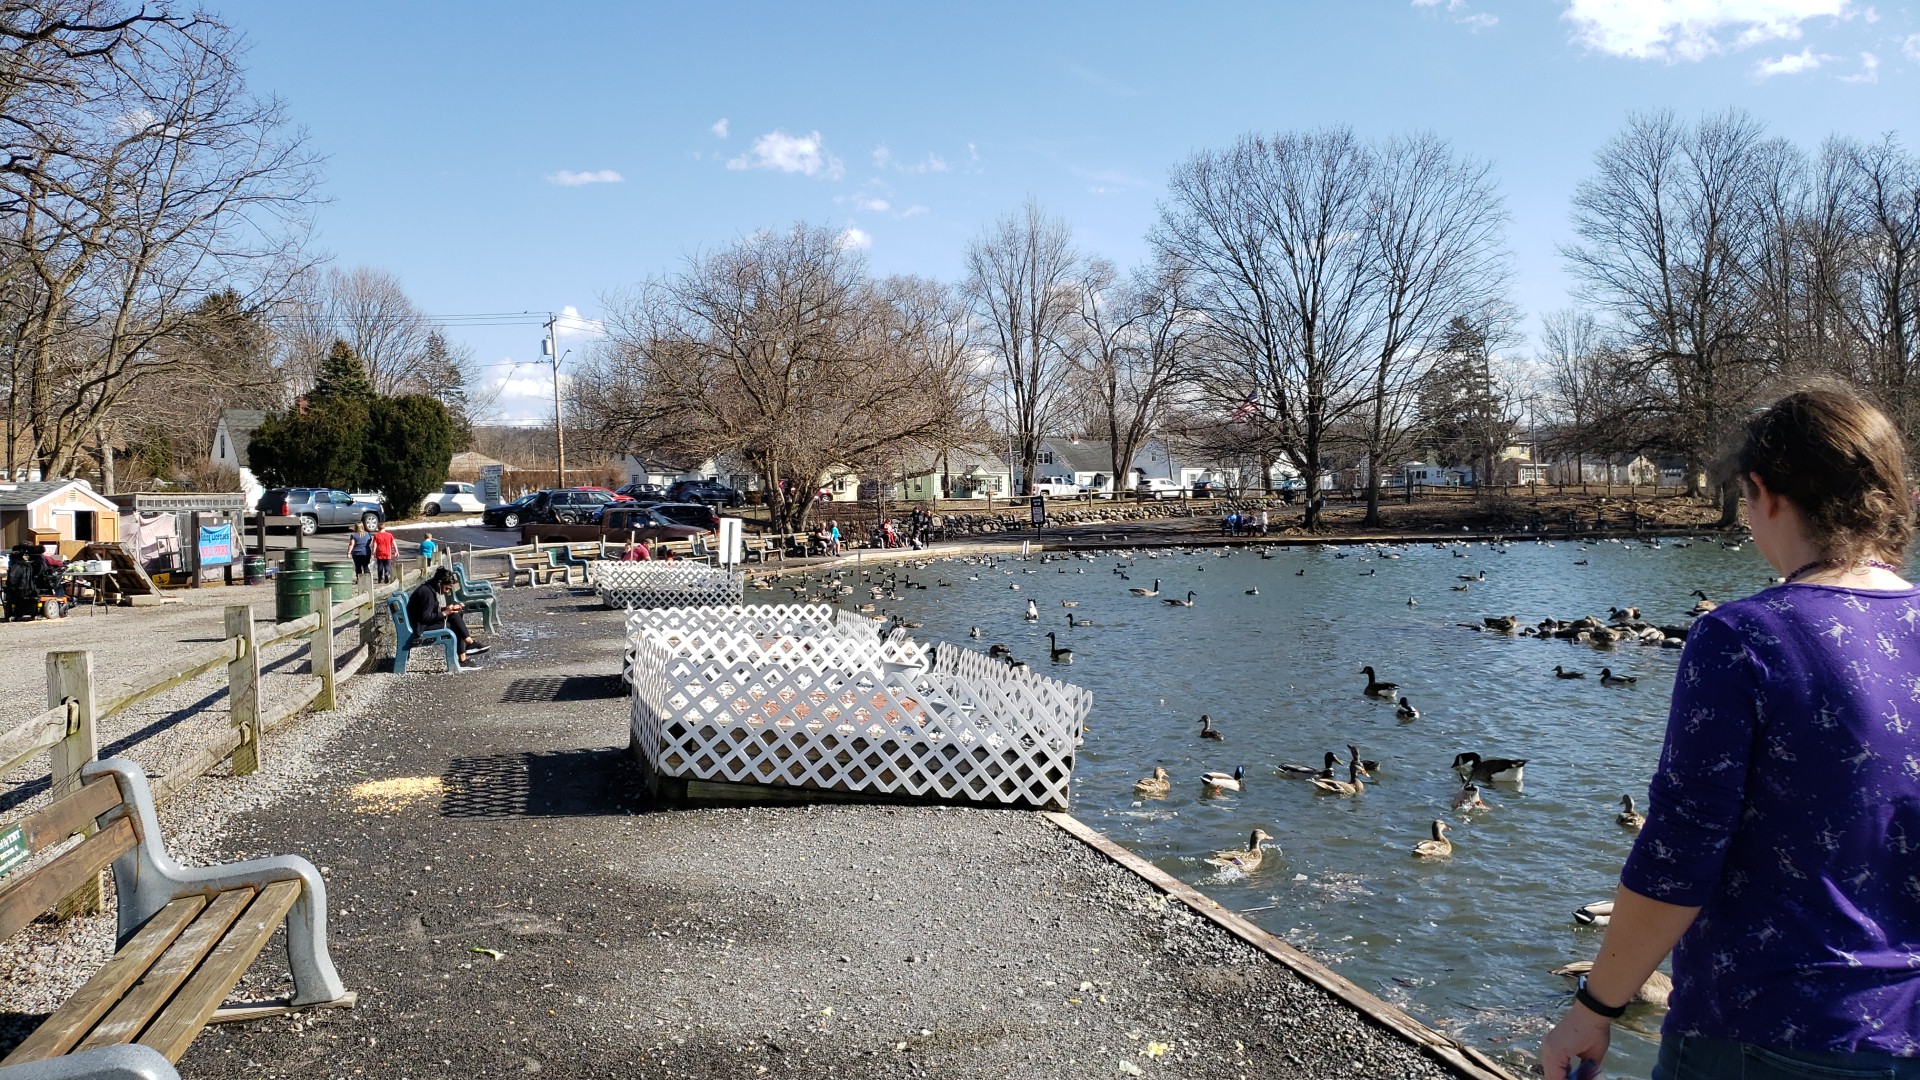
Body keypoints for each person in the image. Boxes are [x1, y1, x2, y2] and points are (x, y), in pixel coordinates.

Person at [1539, 386, 1920, 1080]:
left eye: (1745, 502)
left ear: (1764, 493)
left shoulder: (1744, 639)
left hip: (1766, 1034)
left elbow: (1679, 854)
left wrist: (1594, 1009)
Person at [407, 566, 486, 667]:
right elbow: (425, 617)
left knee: (454, 616)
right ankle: (466, 652)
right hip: (420, 627)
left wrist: (447, 609)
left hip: (421, 623)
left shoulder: (429, 589)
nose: (447, 591)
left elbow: (429, 612)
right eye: (447, 588)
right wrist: (446, 612)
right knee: (455, 624)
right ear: (439, 583)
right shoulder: (426, 593)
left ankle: (468, 647)